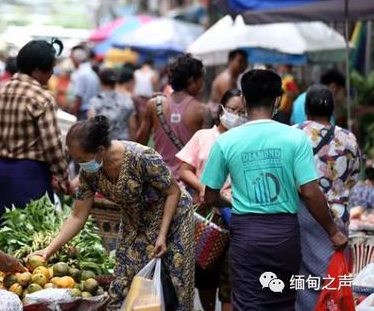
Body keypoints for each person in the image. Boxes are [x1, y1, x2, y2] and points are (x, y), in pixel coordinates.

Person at [201, 69, 348, 310]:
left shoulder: (225, 141)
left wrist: (229, 201)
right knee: (282, 299)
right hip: (284, 234)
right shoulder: (294, 138)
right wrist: (333, 231)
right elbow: (310, 192)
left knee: (248, 301)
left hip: (246, 234)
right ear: (277, 101)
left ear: (245, 101)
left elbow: (209, 195)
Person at [32, 116, 194, 310]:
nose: (80, 165)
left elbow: (173, 191)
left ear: (100, 150)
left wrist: (161, 235)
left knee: (175, 283)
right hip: (135, 222)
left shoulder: (142, 157)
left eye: (82, 159)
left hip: (173, 218)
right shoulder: (90, 172)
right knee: (122, 285)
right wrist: (50, 249)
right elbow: (77, 216)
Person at [0, 39, 70, 239]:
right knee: (32, 238)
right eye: (51, 69)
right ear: (38, 70)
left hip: (2, 172)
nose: (52, 75)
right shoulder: (41, 98)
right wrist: (63, 178)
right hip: (31, 176)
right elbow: (52, 146)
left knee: (2, 235)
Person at [176, 89, 245, 311]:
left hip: (234, 216)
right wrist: (204, 188)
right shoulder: (203, 137)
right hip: (204, 217)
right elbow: (184, 170)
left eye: (242, 112)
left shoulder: (245, 141)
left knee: (230, 278)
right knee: (204, 274)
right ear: (222, 108)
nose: (237, 115)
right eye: (233, 109)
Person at [294, 85, 361, 310]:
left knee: (303, 277)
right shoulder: (348, 138)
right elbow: (354, 177)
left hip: (303, 215)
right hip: (337, 217)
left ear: (306, 109)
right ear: (332, 109)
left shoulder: (293, 133)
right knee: (333, 274)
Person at [136, 55, 211, 179]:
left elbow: (139, 144)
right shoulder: (203, 111)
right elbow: (205, 155)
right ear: (192, 80)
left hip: (158, 179)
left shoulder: (154, 104)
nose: (202, 84)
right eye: (201, 79)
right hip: (188, 182)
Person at [88, 68, 137, 140]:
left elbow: (91, 125)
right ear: (116, 81)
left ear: (100, 81)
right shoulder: (127, 100)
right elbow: (132, 127)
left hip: (102, 144)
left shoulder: (95, 101)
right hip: (123, 144)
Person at [70, 45, 100, 120]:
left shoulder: (81, 74)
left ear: (76, 59)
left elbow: (78, 98)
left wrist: (74, 115)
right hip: (91, 110)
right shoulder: (91, 72)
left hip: (83, 112)